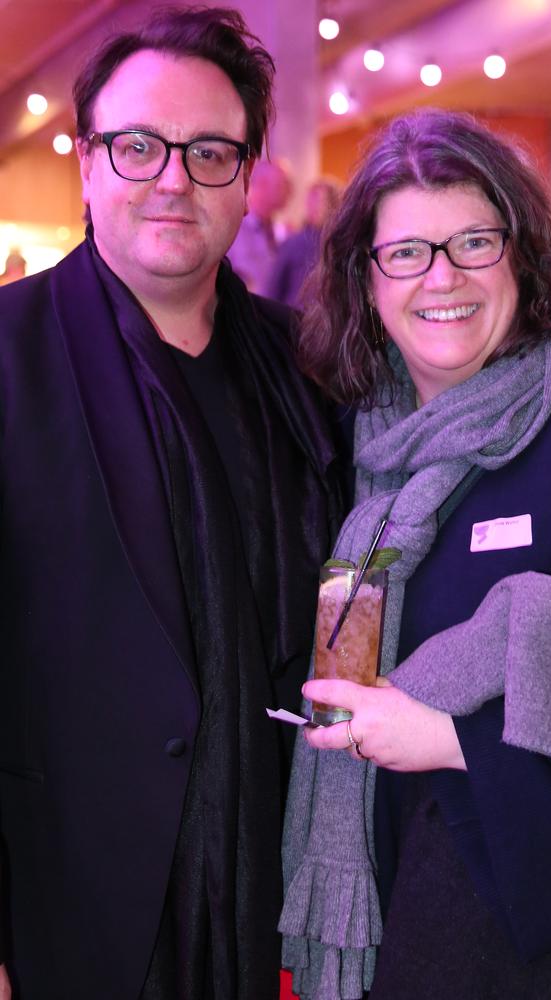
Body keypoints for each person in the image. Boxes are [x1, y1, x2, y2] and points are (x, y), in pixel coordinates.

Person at [0, 7, 344, 1000]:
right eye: (139, 146)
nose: (172, 179)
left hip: (284, 895)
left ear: (246, 179)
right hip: (69, 906)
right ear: (87, 162)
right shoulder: (10, 354)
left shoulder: (308, 367)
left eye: (208, 152)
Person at [280, 110, 551, 1000]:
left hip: (525, 945)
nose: (441, 277)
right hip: (376, 921)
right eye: (406, 252)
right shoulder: (355, 450)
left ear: (520, 257)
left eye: (473, 242)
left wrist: (451, 739)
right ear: (367, 282)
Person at [265, 177, 341, 307]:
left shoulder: (342, 245)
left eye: (320, 201)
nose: (314, 206)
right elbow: (273, 289)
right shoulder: (293, 244)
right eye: (311, 200)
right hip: (293, 319)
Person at [227, 158, 293, 293]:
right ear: (263, 185)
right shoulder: (234, 229)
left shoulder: (279, 231)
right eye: (283, 184)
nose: (289, 191)